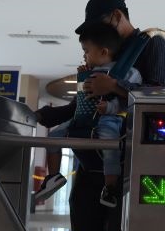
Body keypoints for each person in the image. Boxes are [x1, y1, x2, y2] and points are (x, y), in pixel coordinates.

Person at [34, 0, 165, 231]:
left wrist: (115, 86)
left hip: (127, 167)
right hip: (89, 163)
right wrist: (43, 114)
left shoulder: (151, 45)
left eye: (100, 24)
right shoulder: (101, 56)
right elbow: (79, 107)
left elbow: (160, 95)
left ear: (117, 16)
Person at [38, 22, 141, 207]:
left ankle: (110, 187)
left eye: (86, 51)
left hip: (109, 119)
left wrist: (109, 107)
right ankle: (53, 176)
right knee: (52, 138)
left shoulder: (127, 73)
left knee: (110, 149)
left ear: (103, 52)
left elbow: (131, 101)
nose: (84, 56)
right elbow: (82, 98)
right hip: (81, 118)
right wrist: (82, 79)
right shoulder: (89, 72)